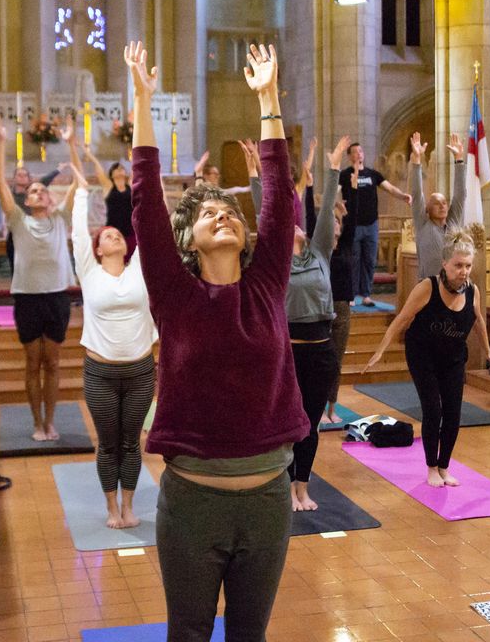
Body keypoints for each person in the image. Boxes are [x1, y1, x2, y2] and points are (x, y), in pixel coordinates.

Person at [128, 38, 308, 641]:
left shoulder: (266, 287)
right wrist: (143, 98)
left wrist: (268, 97)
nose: (224, 214)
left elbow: (280, 199)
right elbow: (145, 203)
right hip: (193, 506)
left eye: (230, 210)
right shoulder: (175, 297)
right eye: (208, 215)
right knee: (188, 634)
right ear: (190, 241)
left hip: (267, 502)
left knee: (249, 636)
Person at [251, 135, 349, 511]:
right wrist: (256, 176)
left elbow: (325, 215)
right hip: (285, 350)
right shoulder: (274, 259)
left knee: (310, 422)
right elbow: (265, 213)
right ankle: (281, 483)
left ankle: (302, 487)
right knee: (283, 422)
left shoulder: (320, 252)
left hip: (320, 349)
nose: (294, 224)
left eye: (297, 222)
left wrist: (334, 167)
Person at [363, 230, 490, 487]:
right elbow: (401, 320)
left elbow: (479, 322)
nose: (464, 271)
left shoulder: (473, 291)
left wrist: (489, 353)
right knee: (433, 410)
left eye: (468, 266)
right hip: (422, 355)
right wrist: (380, 350)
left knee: (454, 414)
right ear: (445, 264)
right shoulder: (427, 288)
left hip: (454, 358)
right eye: (458, 265)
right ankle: (431, 468)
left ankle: (445, 467)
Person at [66, 147, 157, 530]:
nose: (114, 235)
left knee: (131, 441)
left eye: (118, 233)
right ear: (98, 248)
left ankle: (130, 505)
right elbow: (76, 233)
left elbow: (150, 225)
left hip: (139, 370)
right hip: (101, 373)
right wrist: (82, 190)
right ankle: (110, 508)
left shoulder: (139, 268)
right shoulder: (89, 271)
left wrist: (144, 185)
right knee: (109, 442)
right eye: (107, 235)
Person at [0, 118, 77, 441]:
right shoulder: (18, 220)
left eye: (43, 189)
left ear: (49, 198)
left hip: (56, 297)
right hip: (27, 297)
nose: (39, 192)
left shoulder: (60, 219)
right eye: (33, 190)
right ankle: (36, 422)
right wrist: (1, 142)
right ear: (26, 201)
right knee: (32, 362)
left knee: (52, 363)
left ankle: (51, 422)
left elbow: (78, 184)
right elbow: (0, 182)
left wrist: (71, 143)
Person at [339, 142, 412, 306]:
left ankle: (366, 295)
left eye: (361, 151)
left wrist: (403, 196)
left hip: (371, 224)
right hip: (353, 225)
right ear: (350, 156)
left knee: (370, 260)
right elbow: (335, 192)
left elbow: (390, 188)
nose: (359, 154)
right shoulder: (345, 175)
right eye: (355, 152)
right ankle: (351, 295)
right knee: (354, 260)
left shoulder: (373, 174)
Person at [0, 159, 64, 272]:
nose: (22, 177)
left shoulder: (33, 193)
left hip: (33, 233)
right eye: (19, 175)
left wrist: (58, 169)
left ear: (28, 178)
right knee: (15, 267)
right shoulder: (8, 194)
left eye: (24, 175)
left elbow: (46, 180)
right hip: (15, 234)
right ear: (14, 178)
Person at [407, 131, 466, 279]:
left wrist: (459, 159)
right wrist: (417, 161)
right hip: (428, 284)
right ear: (427, 209)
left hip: (453, 283)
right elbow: (416, 192)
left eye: (444, 203)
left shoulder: (453, 223)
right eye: (437, 203)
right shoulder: (423, 224)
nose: (442, 206)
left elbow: (460, 195)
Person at [323, 200, 354, 424]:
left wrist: (345, 211)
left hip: (342, 307)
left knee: (337, 360)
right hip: (322, 308)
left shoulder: (345, 247)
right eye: (331, 220)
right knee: (321, 361)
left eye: (337, 221)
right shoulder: (319, 249)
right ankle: (317, 408)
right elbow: (311, 219)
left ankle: (332, 408)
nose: (335, 223)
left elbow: (352, 224)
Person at [82, 143, 136, 256]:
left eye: (122, 169)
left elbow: (135, 166)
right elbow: (98, 168)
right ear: (111, 174)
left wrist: (134, 149)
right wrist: (88, 153)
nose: (120, 170)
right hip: (113, 228)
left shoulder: (130, 186)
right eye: (117, 169)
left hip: (130, 230)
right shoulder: (108, 186)